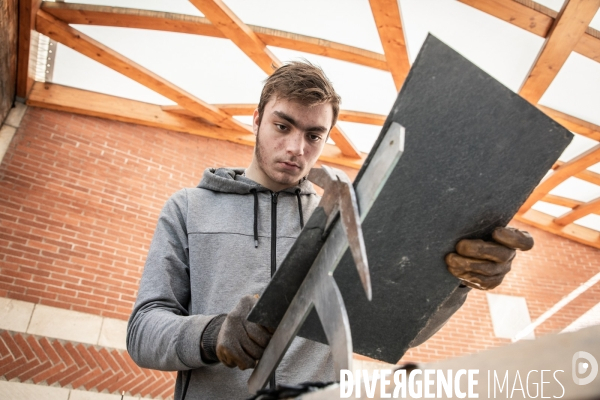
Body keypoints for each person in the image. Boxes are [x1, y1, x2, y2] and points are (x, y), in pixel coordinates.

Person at [127, 61, 534, 400]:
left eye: (313, 135)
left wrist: (455, 281)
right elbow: (143, 330)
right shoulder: (188, 208)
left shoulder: (347, 219)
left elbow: (401, 331)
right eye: (282, 126)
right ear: (256, 120)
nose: (296, 148)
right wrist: (210, 333)